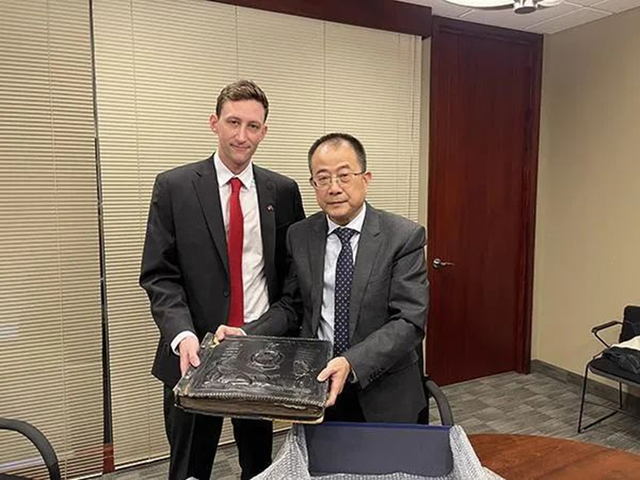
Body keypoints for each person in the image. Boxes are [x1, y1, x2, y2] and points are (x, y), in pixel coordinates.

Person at [140, 79, 305, 480]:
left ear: (264, 131)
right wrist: (182, 334)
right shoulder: (174, 187)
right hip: (192, 355)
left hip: (258, 351)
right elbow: (160, 275)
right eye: (233, 122)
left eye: (253, 126)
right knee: (190, 469)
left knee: (258, 465)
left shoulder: (283, 191)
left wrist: (261, 331)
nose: (242, 135)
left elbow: (293, 283)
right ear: (214, 122)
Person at [216, 133, 428, 424]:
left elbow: (409, 321)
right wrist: (246, 333)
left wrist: (351, 362)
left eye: (344, 176)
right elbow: (292, 306)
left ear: (366, 179)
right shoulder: (300, 235)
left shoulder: (403, 237)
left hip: (384, 392)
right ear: (313, 184)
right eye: (323, 178)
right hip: (317, 384)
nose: (334, 188)